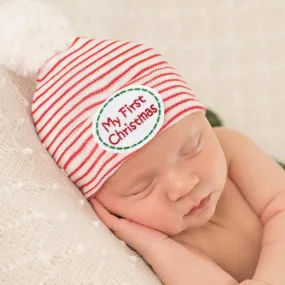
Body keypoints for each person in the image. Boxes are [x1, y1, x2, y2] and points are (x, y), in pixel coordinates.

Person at [32, 37, 285, 285]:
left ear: (203, 117)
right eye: (143, 187)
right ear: (105, 207)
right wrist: (158, 247)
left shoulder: (230, 149)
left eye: (192, 148)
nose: (183, 185)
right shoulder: (156, 246)